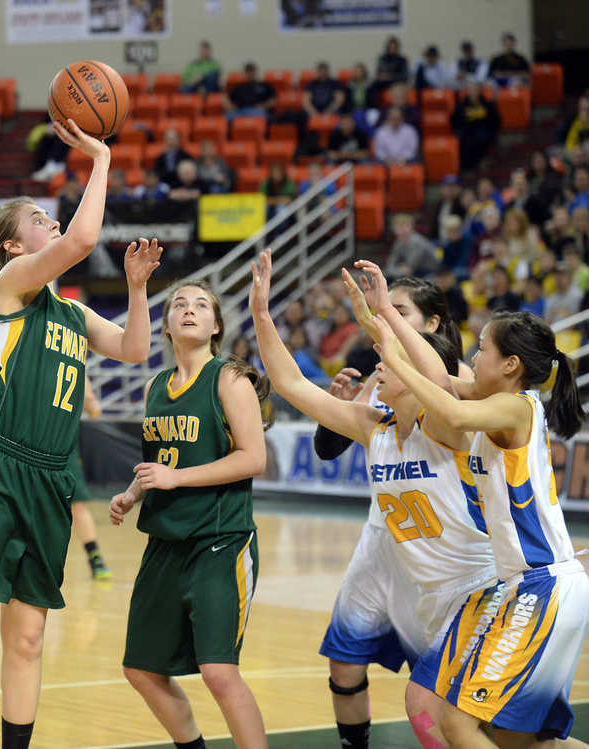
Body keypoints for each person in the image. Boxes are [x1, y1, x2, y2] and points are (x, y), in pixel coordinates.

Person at [0, 119, 162, 749]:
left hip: (50, 476)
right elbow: (82, 238)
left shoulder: (71, 313)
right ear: (15, 249)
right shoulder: (12, 287)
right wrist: (100, 159)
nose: (51, 224)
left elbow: (134, 349)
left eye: (51, 218)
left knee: (26, 638)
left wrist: (136, 290)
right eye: (39, 221)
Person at [249, 253, 497, 749]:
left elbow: (442, 383)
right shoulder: (374, 428)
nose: (378, 365)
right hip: (429, 589)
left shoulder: (447, 427)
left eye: (391, 358)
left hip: (478, 590)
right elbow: (292, 385)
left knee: (432, 711)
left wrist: (376, 317)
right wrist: (260, 314)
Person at [372, 307, 589, 747]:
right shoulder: (496, 402)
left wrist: (395, 362)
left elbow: (452, 412)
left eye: (482, 348)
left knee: (458, 723)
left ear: (511, 364)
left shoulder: (513, 407)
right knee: (524, 741)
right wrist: (386, 317)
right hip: (531, 588)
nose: (473, 355)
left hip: (542, 587)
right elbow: (438, 381)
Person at [110, 279, 271, 749]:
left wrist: (174, 480)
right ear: (166, 324)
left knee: (219, 672)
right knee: (140, 668)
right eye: (179, 303)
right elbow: (164, 461)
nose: (188, 309)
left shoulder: (229, 378)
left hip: (219, 541)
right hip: (165, 543)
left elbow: (252, 458)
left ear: (216, 325)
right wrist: (132, 493)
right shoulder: (156, 386)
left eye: (201, 305)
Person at [68, 377, 111, 580]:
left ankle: (95, 556)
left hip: (61, 448)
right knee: (77, 506)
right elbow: (94, 409)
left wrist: (89, 401)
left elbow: (93, 407)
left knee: (78, 505)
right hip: (52, 444)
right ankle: (95, 558)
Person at [451, 82, 501, 172]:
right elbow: (455, 121)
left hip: (483, 132)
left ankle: (480, 163)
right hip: (467, 133)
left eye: (475, 90)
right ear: (467, 92)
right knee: (465, 142)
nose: (473, 92)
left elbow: (495, 120)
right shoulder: (461, 106)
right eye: (471, 90)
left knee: (482, 138)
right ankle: (468, 168)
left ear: (479, 91)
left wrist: (492, 130)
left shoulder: (487, 105)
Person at [385, 213, 438, 278]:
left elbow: (409, 268)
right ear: (393, 228)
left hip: (430, 272)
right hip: (416, 272)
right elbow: (390, 264)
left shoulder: (417, 242)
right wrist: (396, 270)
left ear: (411, 227)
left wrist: (396, 270)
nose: (402, 229)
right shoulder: (398, 242)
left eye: (405, 226)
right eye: (399, 226)